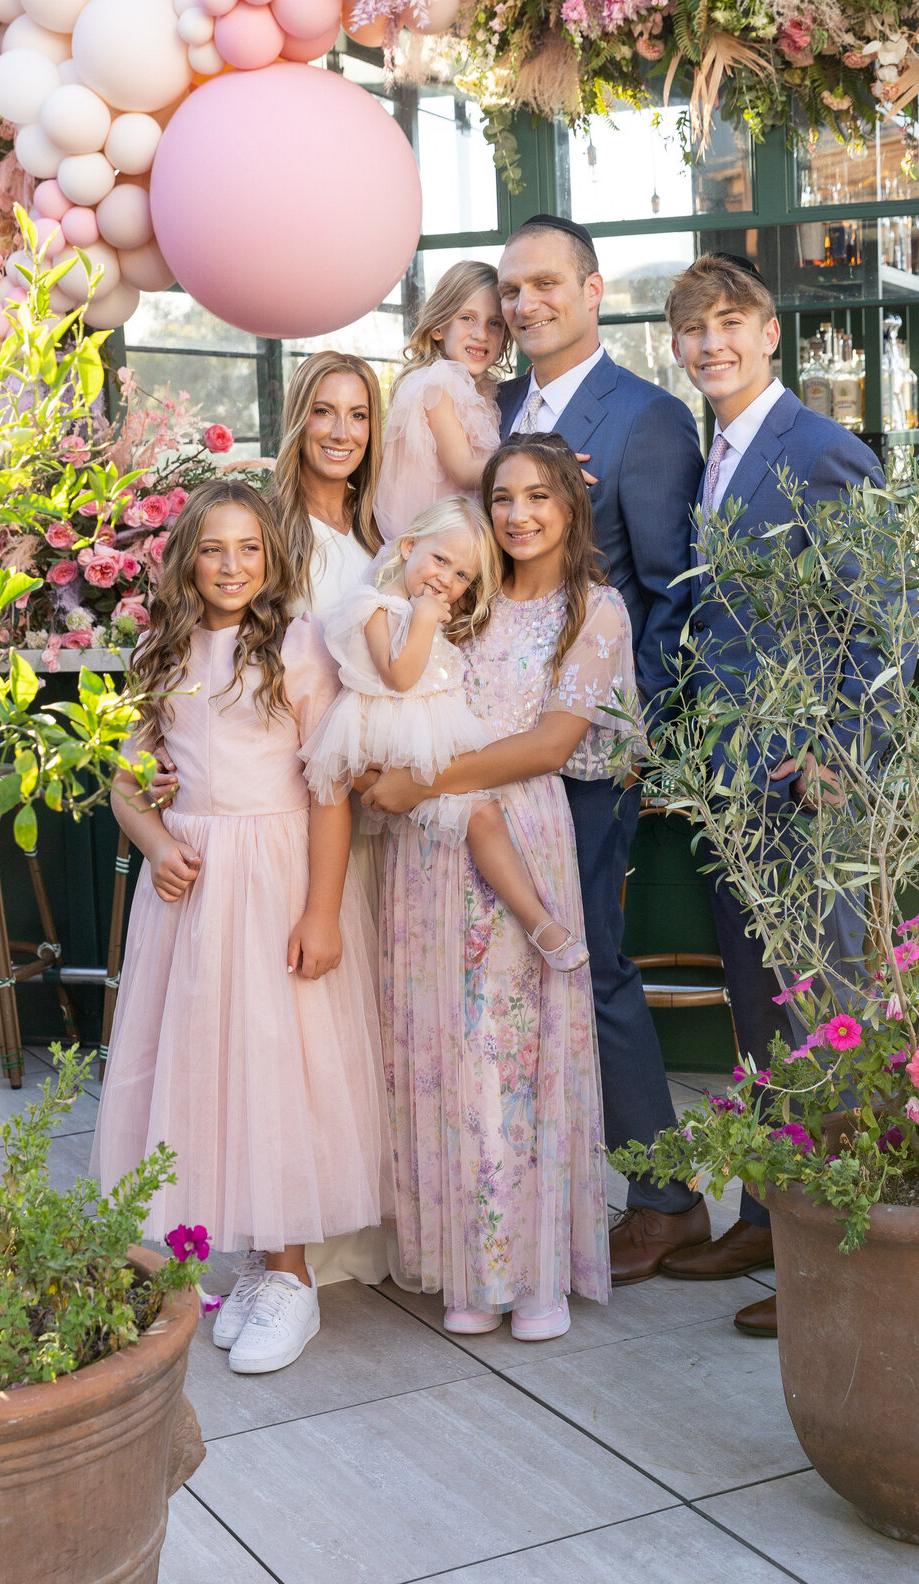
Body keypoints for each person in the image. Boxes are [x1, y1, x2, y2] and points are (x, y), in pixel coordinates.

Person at [91, 478, 388, 1375]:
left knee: (272, 1060)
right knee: (202, 1060)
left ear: (272, 559)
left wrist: (322, 910)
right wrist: (152, 840)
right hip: (190, 890)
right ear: (188, 557)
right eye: (214, 549)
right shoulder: (160, 649)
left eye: (249, 549)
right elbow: (126, 780)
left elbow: (328, 788)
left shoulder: (297, 649)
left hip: (274, 878)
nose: (231, 566)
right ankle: (251, 1264)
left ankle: (291, 1275)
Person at [657, 251, 895, 1339]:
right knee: (760, 1013)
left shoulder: (821, 451)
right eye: (691, 331)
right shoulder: (715, 458)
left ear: (768, 336)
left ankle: (829, 1261)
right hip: (731, 785)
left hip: (805, 784)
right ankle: (762, 1214)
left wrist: (842, 752)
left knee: (817, 1013)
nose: (708, 345)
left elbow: (873, 625)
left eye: (727, 324)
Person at [363, 435, 632, 1339]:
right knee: (446, 1049)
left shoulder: (593, 610)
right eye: (504, 497)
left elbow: (552, 744)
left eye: (539, 497)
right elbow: (386, 680)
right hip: (433, 851)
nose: (519, 515)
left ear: (570, 507)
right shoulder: (460, 595)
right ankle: (469, 1268)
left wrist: (424, 780)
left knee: (519, 1052)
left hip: (521, 827)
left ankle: (538, 1271)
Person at [496, 213, 712, 1285]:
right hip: (489, 748)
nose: (524, 303)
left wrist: (634, 740)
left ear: (589, 292)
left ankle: (664, 1197)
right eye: (510, 289)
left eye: (544, 284)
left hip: (585, 756)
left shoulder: (650, 420)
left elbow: (670, 595)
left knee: (594, 965)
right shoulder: (494, 411)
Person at [302, 495, 589, 969]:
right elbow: (400, 677)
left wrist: (428, 617)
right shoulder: (373, 605)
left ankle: (541, 926)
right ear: (408, 545)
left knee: (485, 817)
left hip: (424, 741)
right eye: (440, 560)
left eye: (462, 577)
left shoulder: (423, 609)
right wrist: (425, 619)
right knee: (476, 816)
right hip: (386, 741)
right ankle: (542, 925)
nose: (446, 580)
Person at [373, 261, 508, 542]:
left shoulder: (482, 390)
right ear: (438, 327)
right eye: (467, 318)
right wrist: (532, 461)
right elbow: (462, 470)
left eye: (494, 323)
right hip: (434, 543)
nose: (481, 333)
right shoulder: (439, 382)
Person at [273, 349, 384, 617]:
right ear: (298, 419)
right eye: (323, 411)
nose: (341, 434)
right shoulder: (267, 527)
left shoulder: (383, 522)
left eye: (358, 415)